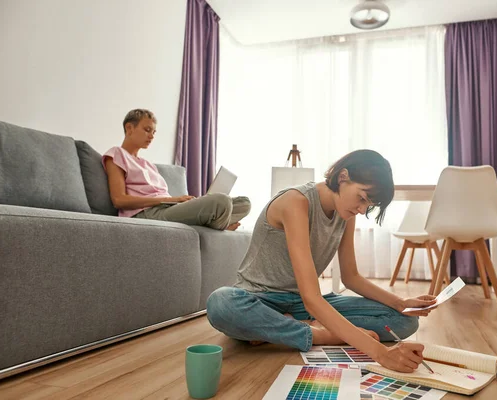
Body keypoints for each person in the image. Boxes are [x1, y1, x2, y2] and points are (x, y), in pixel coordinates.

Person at [206, 149, 437, 373]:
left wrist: (400, 302)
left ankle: (280, 330)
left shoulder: (347, 214)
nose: (361, 209)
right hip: (258, 299)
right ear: (343, 176)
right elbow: (312, 298)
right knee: (221, 304)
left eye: (368, 205)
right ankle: (318, 334)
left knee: (405, 321)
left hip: (299, 305)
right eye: (362, 198)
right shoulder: (296, 202)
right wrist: (381, 354)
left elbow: (351, 277)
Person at [102, 109, 250, 229]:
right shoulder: (116, 154)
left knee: (244, 203)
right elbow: (119, 200)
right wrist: (170, 200)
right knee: (221, 201)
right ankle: (219, 225)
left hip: (167, 208)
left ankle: (214, 221)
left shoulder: (148, 165)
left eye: (154, 132)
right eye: (147, 130)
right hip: (146, 213)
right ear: (129, 128)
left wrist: (178, 202)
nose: (151, 136)